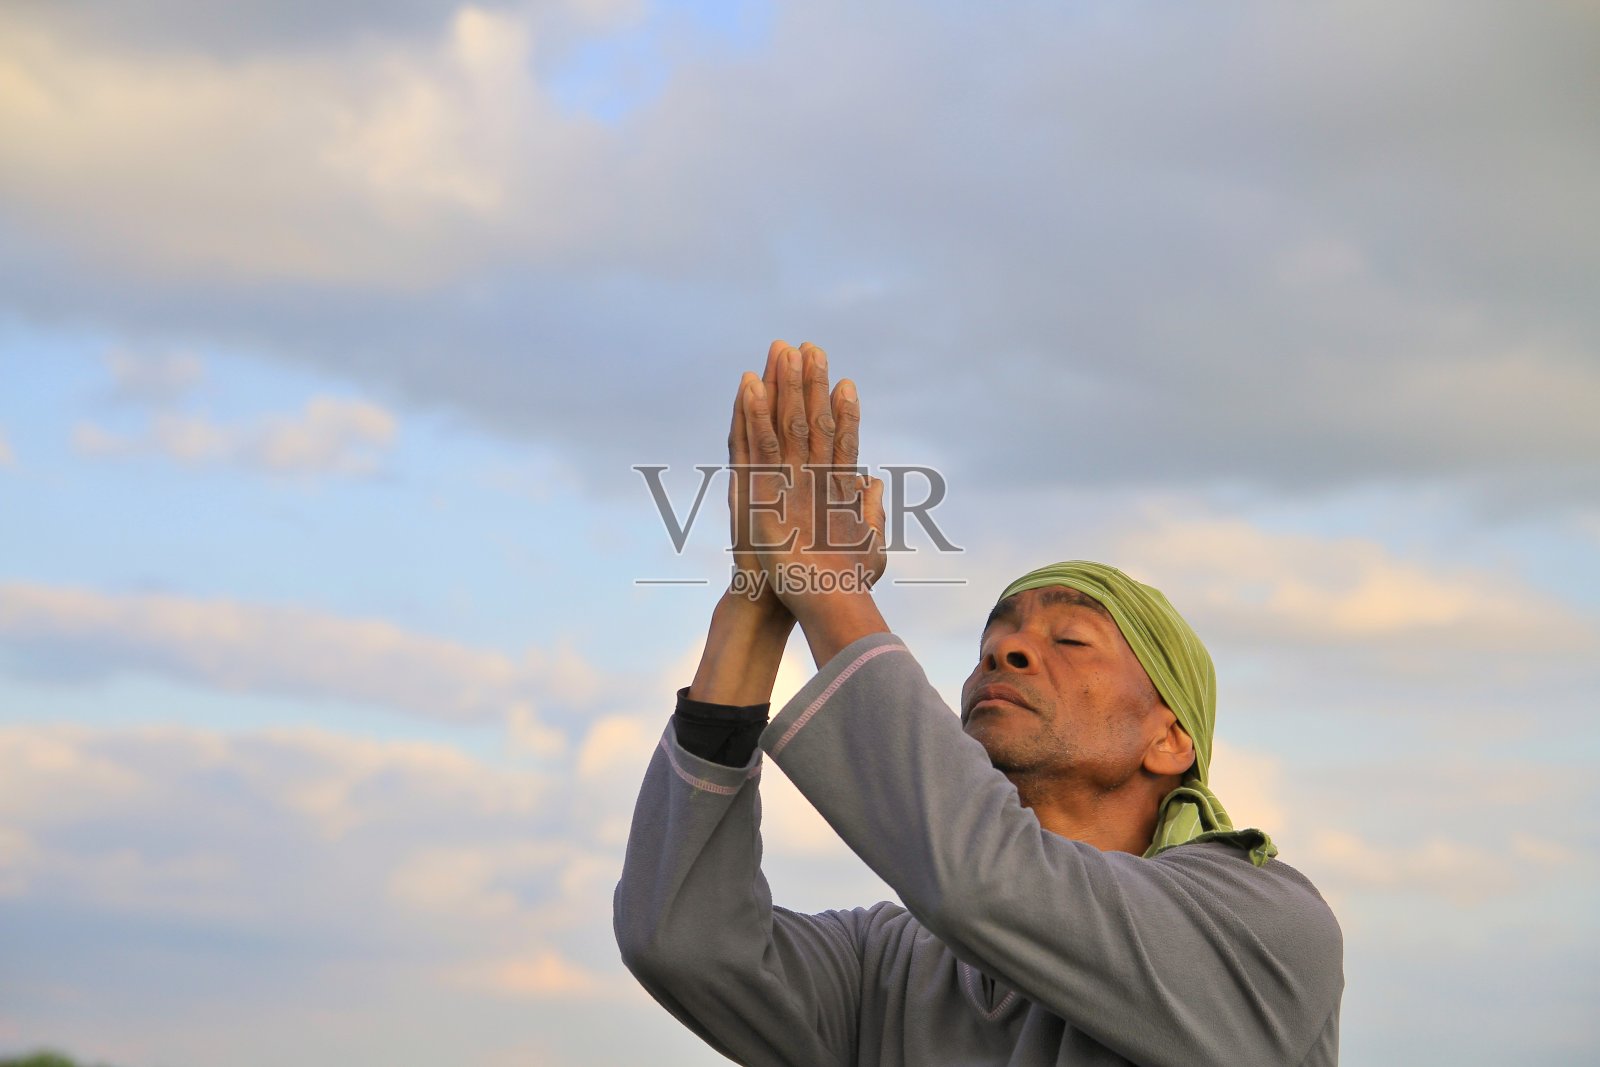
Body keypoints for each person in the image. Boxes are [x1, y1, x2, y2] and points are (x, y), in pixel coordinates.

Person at [614, 342, 1343, 1066]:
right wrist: (761, 596)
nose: (1008, 652)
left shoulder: (1263, 923)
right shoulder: (891, 966)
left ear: (1170, 740)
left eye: (1071, 638)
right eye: (995, 639)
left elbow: (984, 882)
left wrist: (829, 588)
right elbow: (681, 941)